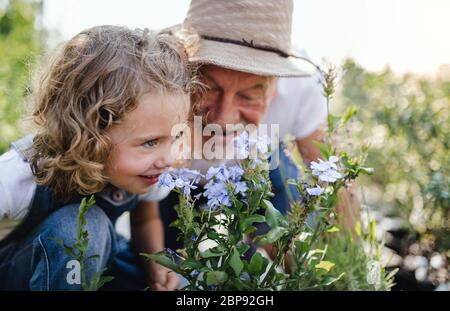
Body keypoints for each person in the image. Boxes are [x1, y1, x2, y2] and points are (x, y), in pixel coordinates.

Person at [0, 25, 195, 290]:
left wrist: (157, 268)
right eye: (150, 142)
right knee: (79, 228)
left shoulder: (147, 171)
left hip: (94, 261)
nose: (168, 158)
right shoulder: (21, 174)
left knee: (184, 280)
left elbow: (145, 218)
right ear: (92, 130)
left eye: (175, 137)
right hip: (20, 272)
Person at [156, 0, 359, 253]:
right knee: (165, 263)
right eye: (207, 88)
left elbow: (335, 179)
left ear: (274, 85)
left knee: (287, 242)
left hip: (255, 168)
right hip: (175, 177)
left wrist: (351, 266)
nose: (222, 118)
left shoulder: (302, 87)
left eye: (248, 96)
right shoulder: (155, 73)